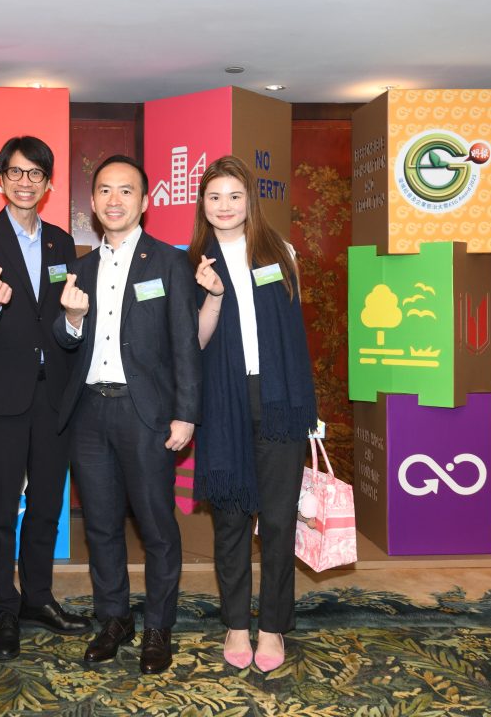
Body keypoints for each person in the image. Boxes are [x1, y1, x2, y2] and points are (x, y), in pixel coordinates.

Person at [53, 154, 201, 675]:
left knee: (156, 525)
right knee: (100, 526)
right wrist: (72, 319)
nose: (114, 200)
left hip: (147, 415)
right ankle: (114, 619)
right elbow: (64, 341)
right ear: (92, 203)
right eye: (105, 191)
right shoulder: (80, 267)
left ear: (145, 201)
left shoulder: (169, 263)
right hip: (89, 414)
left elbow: (185, 344)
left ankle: (159, 625)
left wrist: (186, 414)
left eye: (126, 191)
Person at [0, 136, 91, 661]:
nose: (25, 182)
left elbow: (62, 316)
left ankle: (38, 598)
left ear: (48, 183)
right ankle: (3, 609)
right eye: (16, 172)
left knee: (47, 507)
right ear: (1, 179)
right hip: (0, 398)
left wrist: (73, 322)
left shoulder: (60, 242)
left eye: (36, 173)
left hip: (53, 397)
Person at [188, 155, 317, 674]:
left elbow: (294, 331)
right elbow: (193, 342)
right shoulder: (190, 262)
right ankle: (237, 624)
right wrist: (213, 297)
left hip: (279, 401)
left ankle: (273, 627)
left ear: (250, 201)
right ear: (202, 202)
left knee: (280, 521)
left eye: (234, 196)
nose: (224, 206)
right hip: (223, 403)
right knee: (231, 521)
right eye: (214, 196)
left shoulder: (280, 251)